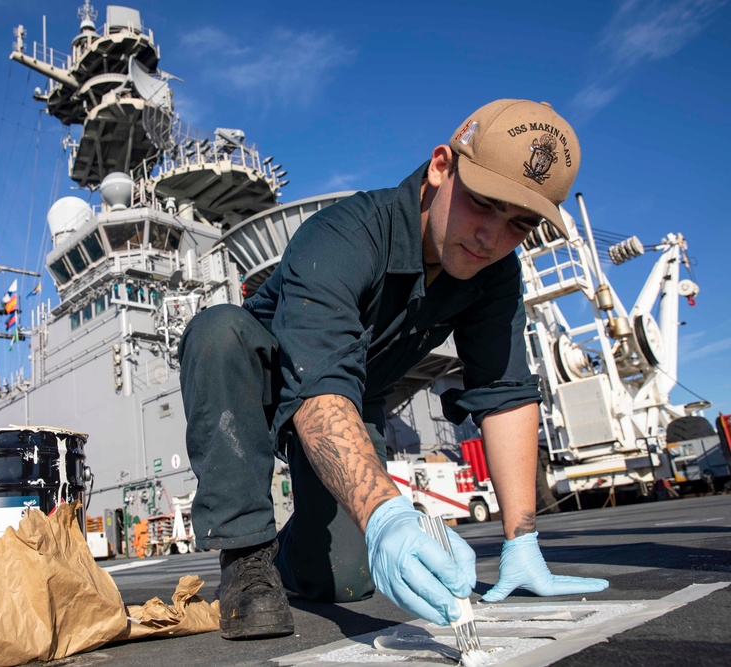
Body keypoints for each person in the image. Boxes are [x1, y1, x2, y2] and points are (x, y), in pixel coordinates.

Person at [178, 99, 609, 640]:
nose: (489, 238)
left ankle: (292, 554)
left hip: (350, 401)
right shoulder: (344, 233)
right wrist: (386, 514)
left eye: (518, 224)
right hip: (265, 380)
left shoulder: (494, 270)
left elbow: (504, 392)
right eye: (482, 204)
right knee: (218, 330)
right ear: (440, 167)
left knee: (345, 579)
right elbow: (317, 383)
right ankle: (246, 558)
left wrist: (521, 540)